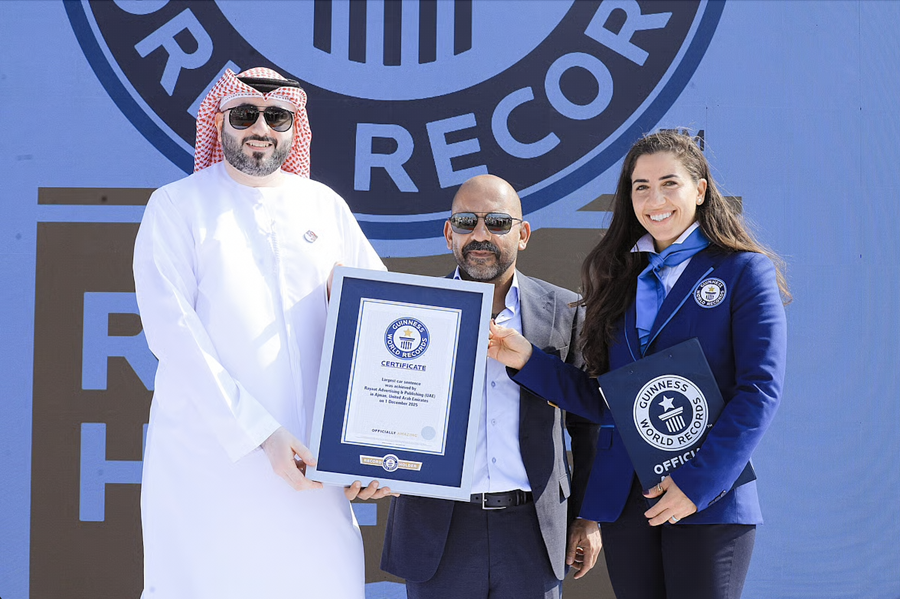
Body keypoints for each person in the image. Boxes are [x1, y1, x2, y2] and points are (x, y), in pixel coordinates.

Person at [488, 131, 790, 599]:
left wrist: (695, 484)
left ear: (700, 190)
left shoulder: (743, 271)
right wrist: (527, 360)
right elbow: (607, 401)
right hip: (630, 500)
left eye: (669, 184)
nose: (655, 200)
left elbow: (760, 390)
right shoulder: (619, 276)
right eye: (641, 187)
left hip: (707, 499)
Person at [133, 67, 392, 599]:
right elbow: (173, 334)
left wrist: (375, 446)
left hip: (313, 468)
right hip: (210, 465)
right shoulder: (177, 206)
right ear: (219, 122)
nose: (261, 128)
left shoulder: (325, 206)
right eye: (246, 114)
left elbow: (382, 323)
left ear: (295, 127)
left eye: (277, 117)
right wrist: (261, 434)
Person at [380, 174, 602, 599]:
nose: (480, 235)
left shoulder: (565, 310)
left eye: (497, 222)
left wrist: (588, 517)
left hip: (532, 532)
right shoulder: (413, 311)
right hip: (437, 531)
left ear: (523, 234)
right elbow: (382, 406)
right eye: (466, 222)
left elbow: (588, 425)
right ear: (449, 234)